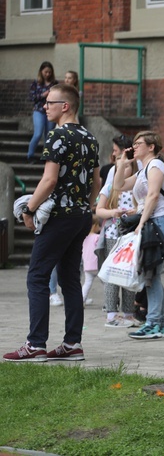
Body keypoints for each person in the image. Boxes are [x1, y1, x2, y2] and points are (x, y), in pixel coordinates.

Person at [4, 83, 100, 362]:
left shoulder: (58, 135)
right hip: (81, 215)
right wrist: (87, 207)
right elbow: (97, 182)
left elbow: (49, 180)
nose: (44, 107)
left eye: (49, 102)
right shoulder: (89, 137)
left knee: (37, 276)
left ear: (65, 106)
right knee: (70, 279)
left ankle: (35, 344)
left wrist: (29, 209)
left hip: (60, 217)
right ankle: (72, 344)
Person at [115, 131, 164, 340]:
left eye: (139, 143)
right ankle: (159, 324)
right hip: (154, 223)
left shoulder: (156, 166)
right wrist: (123, 163)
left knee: (152, 275)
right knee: (151, 275)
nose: (134, 146)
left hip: (160, 222)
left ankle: (154, 323)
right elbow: (119, 186)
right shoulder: (143, 169)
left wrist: (141, 223)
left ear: (151, 147)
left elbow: (153, 195)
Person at [96, 157, 139, 328]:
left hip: (131, 236)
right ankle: (111, 314)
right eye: (120, 167)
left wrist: (135, 211)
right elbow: (99, 210)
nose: (123, 169)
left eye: (127, 166)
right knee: (113, 274)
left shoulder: (136, 187)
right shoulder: (109, 187)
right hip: (113, 234)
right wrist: (113, 212)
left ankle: (128, 313)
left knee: (129, 273)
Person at [27, 61, 58, 163]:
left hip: (51, 111)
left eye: (49, 72)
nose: (47, 74)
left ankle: (46, 157)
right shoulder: (36, 83)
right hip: (39, 110)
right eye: (45, 72)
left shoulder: (55, 84)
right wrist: (43, 95)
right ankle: (30, 155)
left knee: (49, 135)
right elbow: (31, 97)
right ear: (41, 71)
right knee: (38, 133)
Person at [81, 215, 101, 306]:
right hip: (98, 264)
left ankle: (81, 300)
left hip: (87, 265)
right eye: (98, 225)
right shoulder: (97, 237)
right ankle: (109, 303)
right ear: (94, 226)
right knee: (106, 284)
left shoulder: (83, 238)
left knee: (87, 283)